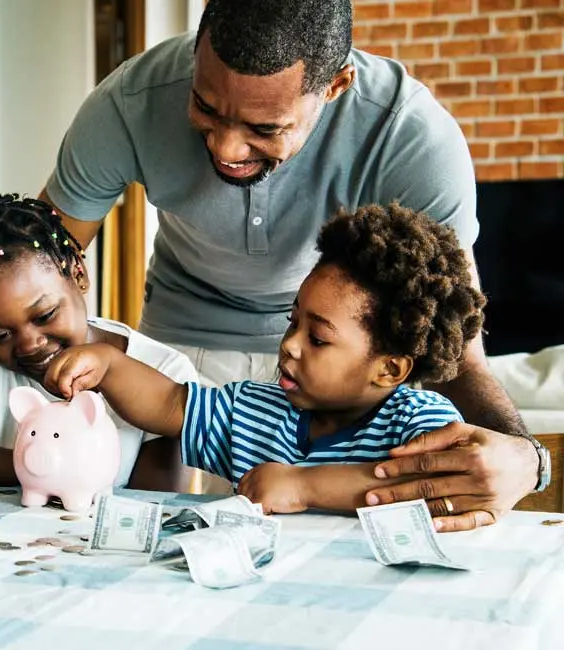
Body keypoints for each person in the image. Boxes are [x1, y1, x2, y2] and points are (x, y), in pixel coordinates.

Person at [0, 0, 546, 530]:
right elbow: (18, 270)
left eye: (265, 128)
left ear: (337, 85)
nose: (227, 147)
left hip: (339, 351)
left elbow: (459, 348)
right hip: (182, 348)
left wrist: (528, 457)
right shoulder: (129, 104)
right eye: (206, 106)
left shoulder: (411, 138)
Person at [45, 204, 484, 521]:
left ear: (388, 370)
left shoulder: (421, 424)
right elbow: (169, 404)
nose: (290, 345)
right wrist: (108, 365)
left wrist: (302, 486)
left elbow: (424, 488)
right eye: (293, 323)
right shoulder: (254, 410)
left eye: (318, 338)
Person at [0, 194, 197, 492]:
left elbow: (155, 501)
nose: (29, 345)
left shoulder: (165, 371)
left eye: (45, 314)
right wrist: (34, 465)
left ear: (78, 274)